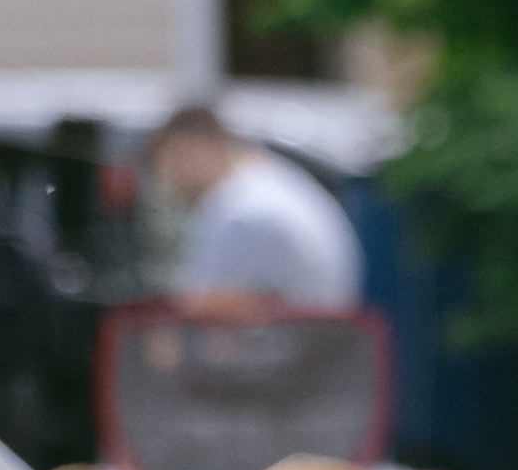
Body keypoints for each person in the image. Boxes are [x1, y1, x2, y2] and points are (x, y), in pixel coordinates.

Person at [148, 104, 363, 313]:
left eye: (168, 165)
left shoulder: (234, 211)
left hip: (299, 333)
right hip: (326, 325)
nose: (166, 184)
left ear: (189, 147)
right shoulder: (268, 178)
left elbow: (200, 311)